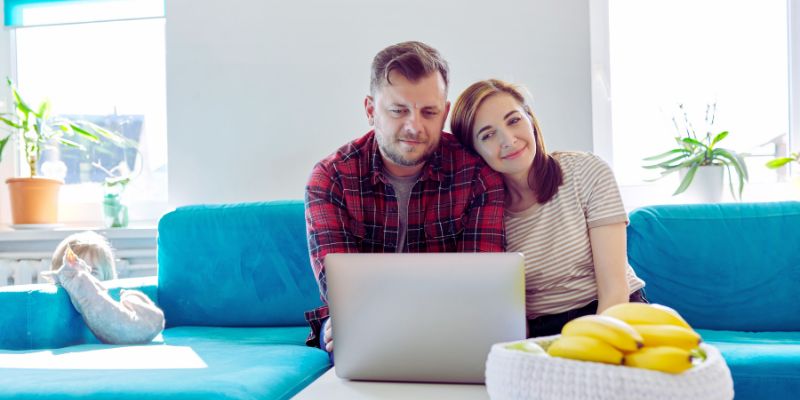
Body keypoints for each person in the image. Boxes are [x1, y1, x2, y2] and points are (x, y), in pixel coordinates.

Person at [304, 42, 506, 354]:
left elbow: (481, 289)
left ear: (445, 113)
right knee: (340, 334)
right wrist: (347, 319)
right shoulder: (331, 178)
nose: (415, 127)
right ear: (371, 110)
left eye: (429, 112)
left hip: (452, 326)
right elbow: (343, 293)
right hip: (365, 323)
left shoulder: (478, 175)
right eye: (398, 111)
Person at [450, 79, 647, 337]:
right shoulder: (483, 214)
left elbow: (615, 290)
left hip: (614, 313)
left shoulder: (586, 172)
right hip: (543, 332)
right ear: (474, 151)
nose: (508, 140)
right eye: (488, 135)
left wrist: (592, 347)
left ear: (530, 120)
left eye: (513, 120)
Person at [45, 231, 165, 344]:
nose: (87, 278)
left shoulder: (113, 299)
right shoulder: (62, 298)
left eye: (93, 272)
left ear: (107, 277)